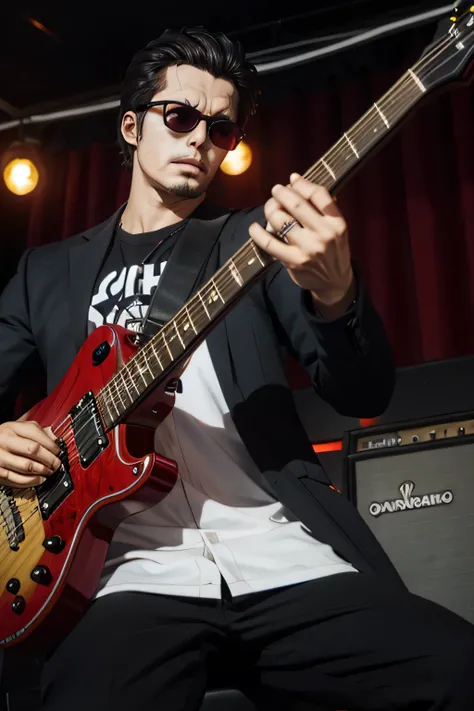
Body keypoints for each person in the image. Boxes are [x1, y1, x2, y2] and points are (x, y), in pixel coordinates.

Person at [0, 26, 473, 711]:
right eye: (181, 117)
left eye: (220, 129)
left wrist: (336, 294)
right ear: (132, 127)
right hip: (127, 574)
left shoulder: (254, 242)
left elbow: (363, 390)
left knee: (458, 667)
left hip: (279, 554)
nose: (200, 139)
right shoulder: (45, 273)